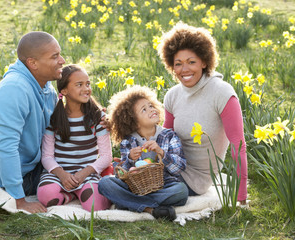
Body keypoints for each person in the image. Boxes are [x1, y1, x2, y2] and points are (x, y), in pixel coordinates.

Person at [0, 31, 65, 213]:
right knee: (71, 182)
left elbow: (55, 129)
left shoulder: (44, 85)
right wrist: (19, 201)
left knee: (82, 169)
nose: (62, 60)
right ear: (33, 63)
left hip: (31, 160)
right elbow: (6, 148)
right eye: (55, 57)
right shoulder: (14, 91)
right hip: (6, 173)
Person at [157, 22, 248, 204]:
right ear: (171, 66)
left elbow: (238, 145)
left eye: (192, 62)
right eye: (178, 64)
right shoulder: (173, 95)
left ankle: (136, 202)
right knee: (119, 182)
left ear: (204, 62)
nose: (185, 70)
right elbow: (164, 140)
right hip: (170, 168)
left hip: (195, 180)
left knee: (171, 192)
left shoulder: (222, 93)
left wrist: (241, 197)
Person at [98, 85, 188, 221]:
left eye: (151, 106)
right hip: (134, 188)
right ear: (133, 121)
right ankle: (150, 209)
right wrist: (129, 159)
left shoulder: (169, 136)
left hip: (164, 186)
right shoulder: (128, 142)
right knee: (104, 183)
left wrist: (161, 152)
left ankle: (129, 202)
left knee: (181, 191)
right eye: (144, 110)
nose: (151, 110)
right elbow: (122, 175)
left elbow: (179, 168)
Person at [37, 64, 112, 212]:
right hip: (58, 174)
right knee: (46, 196)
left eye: (88, 84)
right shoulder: (53, 119)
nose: (86, 89)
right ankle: (69, 196)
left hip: (87, 174)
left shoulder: (98, 118)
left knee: (95, 206)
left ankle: (79, 193)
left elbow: (106, 156)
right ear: (64, 90)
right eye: (79, 85)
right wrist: (62, 175)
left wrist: (83, 174)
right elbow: (46, 156)